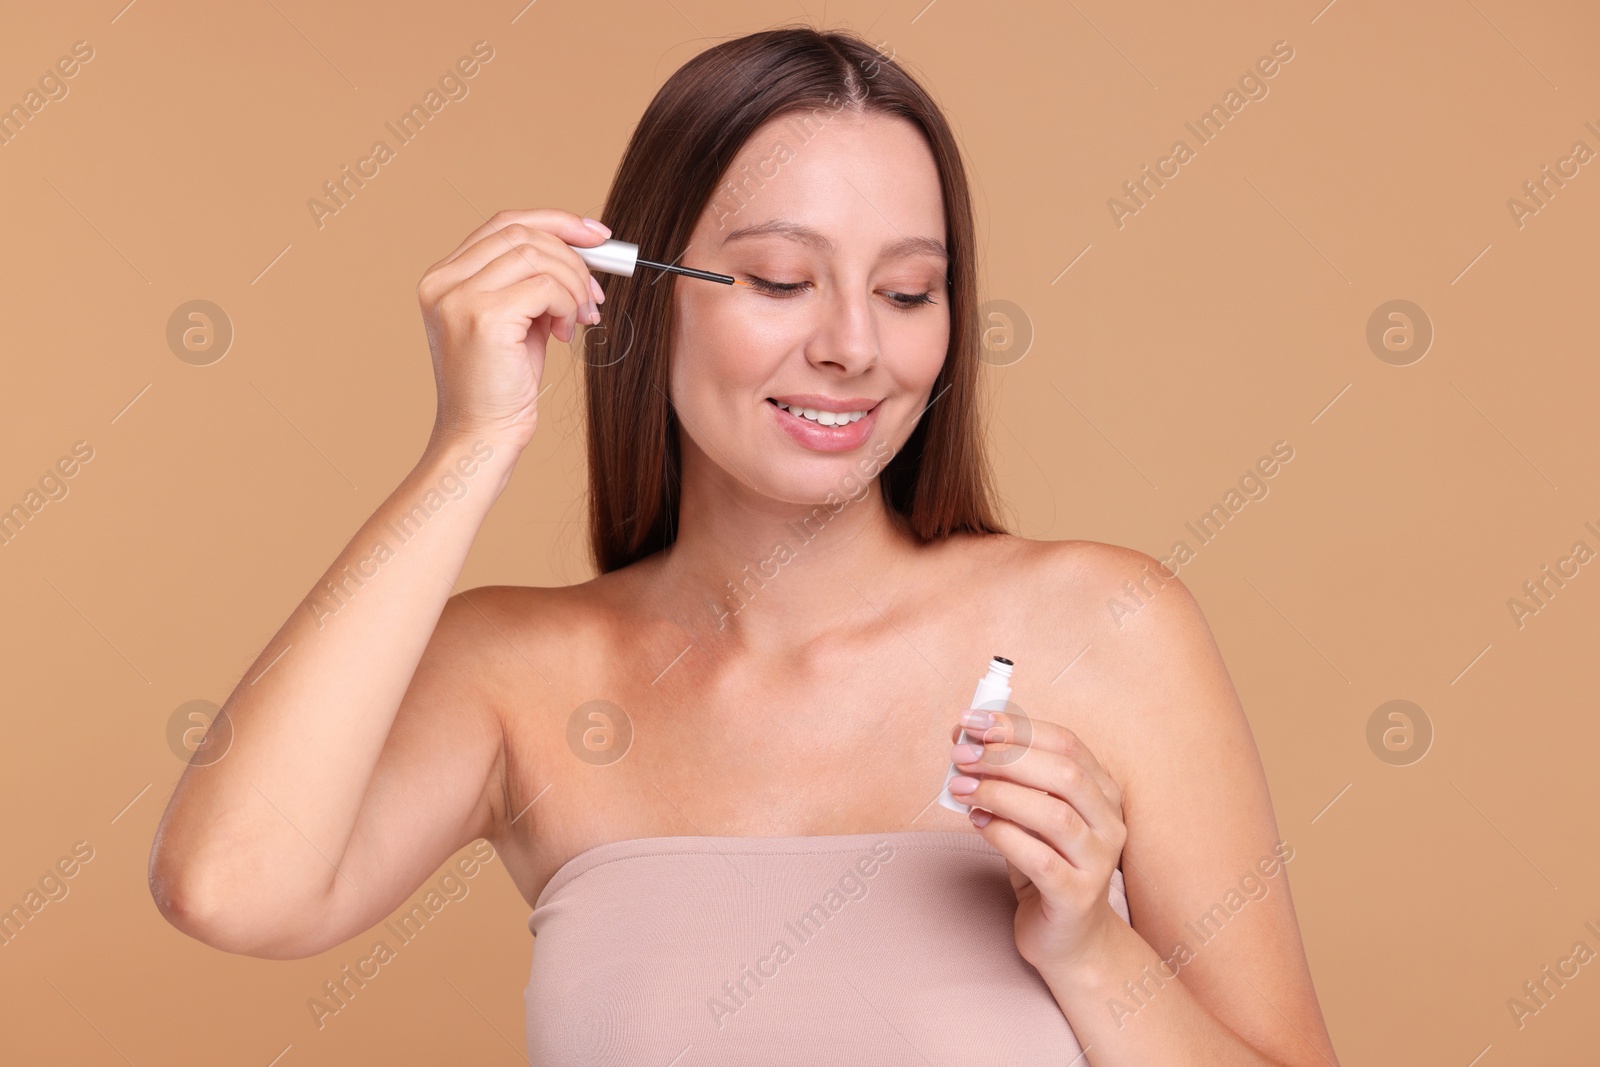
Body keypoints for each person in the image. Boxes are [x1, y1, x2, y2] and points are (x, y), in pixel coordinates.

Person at [148, 25, 1339, 1065]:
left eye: (910, 292)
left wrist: (1090, 950)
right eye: (779, 279)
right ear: (642, 290)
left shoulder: (1103, 626)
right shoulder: (518, 674)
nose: (852, 345)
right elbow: (228, 885)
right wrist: (472, 440)